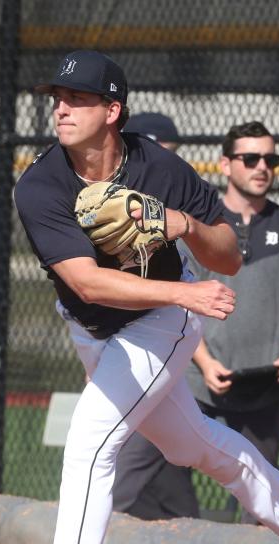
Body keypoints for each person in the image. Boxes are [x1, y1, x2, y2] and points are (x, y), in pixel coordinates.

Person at [0, 50, 279, 544]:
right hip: (98, 326)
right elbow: (87, 284)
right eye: (57, 98)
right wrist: (183, 287)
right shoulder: (41, 184)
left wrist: (182, 225)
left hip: (161, 325)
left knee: (91, 440)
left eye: (79, 99)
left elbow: (228, 255)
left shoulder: (158, 169)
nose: (61, 108)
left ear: (112, 110)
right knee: (189, 442)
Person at [184, 121, 279, 523]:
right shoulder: (200, 222)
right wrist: (205, 363)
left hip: (263, 384)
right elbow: (181, 296)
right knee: (160, 476)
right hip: (198, 381)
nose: (262, 167)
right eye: (250, 158)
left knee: (261, 503)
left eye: (270, 159)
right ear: (226, 165)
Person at [113, 112, 200, 521]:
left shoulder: (178, 211)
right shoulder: (116, 212)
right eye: (162, 154)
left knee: (190, 457)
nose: (169, 166)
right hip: (132, 357)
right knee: (115, 466)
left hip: (171, 350)